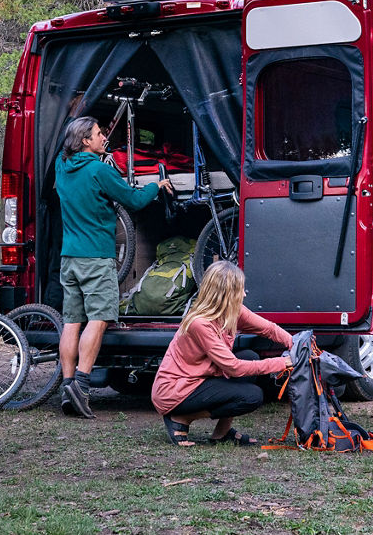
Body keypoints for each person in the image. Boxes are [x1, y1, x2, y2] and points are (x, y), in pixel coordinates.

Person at [55, 115, 173, 419]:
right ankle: (81, 386)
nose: (104, 137)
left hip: (69, 258)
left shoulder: (60, 166)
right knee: (99, 318)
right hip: (96, 258)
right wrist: (156, 187)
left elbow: (66, 148)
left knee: (72, 321)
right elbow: (133, 200)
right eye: (98, 134)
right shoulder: (98, 171)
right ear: (85, 141)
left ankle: (66, 385)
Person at [151, 260, 293, 447]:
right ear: (225, 294)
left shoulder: (232, 311)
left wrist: (295, 344)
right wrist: (282, 363)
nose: (244, 293)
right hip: (175, 389)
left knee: (250, 357)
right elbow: (233, 368)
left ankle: (222, 433)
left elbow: (269, 329)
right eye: (239, 290)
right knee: (252, 396)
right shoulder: (200, 323)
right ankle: (182, 417)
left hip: (200, 379)